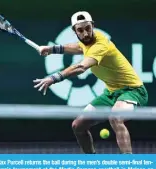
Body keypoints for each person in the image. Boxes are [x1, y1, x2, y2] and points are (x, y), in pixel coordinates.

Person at [33, 11, 148, 154]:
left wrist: (54, 78)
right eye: (80, 30)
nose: (86, 33)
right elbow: (78, 47)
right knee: (78, 125)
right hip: (111, 92)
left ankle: (129, 163)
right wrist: (51, 49)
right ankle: (91, 162)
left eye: (88, 28)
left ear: (93, 26)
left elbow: (81, 67)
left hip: (133, 90)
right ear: (74, 31)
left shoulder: (101, 43)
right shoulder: (85, 42)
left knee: (115, 117)